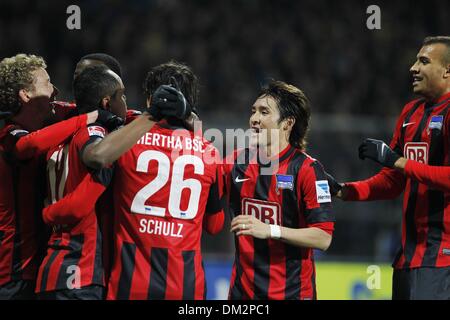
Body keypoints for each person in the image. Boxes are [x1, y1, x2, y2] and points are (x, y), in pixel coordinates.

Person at [328, 36, 450, 300]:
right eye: (416, 59)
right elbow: (394, 181)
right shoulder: (409, 113)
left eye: (424, 61)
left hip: (442, 259)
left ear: (447, 71)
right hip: (408, 257)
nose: (413, 68)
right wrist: (345, 191)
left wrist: (397, 160)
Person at [99, 61, 225, 300]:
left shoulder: (124, 143)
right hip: (186, 286)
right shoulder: (209, 151)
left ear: (150, 100)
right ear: (190, 103)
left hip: (130, 281)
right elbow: (215, 225)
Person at [0, 54, 99, 299]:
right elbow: (28, 146)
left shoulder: (46, 124)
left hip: (34, 269)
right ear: (26, 95)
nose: (55, 90)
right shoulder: (8, 136)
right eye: (47, 83)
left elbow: (89, 109)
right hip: (11, 272)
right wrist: (88, 119)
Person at [225, 80, 335, 300]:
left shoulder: (307, 169)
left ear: (287, 123)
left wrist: (270, 230)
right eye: (253, 111)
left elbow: (323, 238)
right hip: (243, 294)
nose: (254, 118)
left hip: (292, 293)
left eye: (264, 112)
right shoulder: (236, 161)